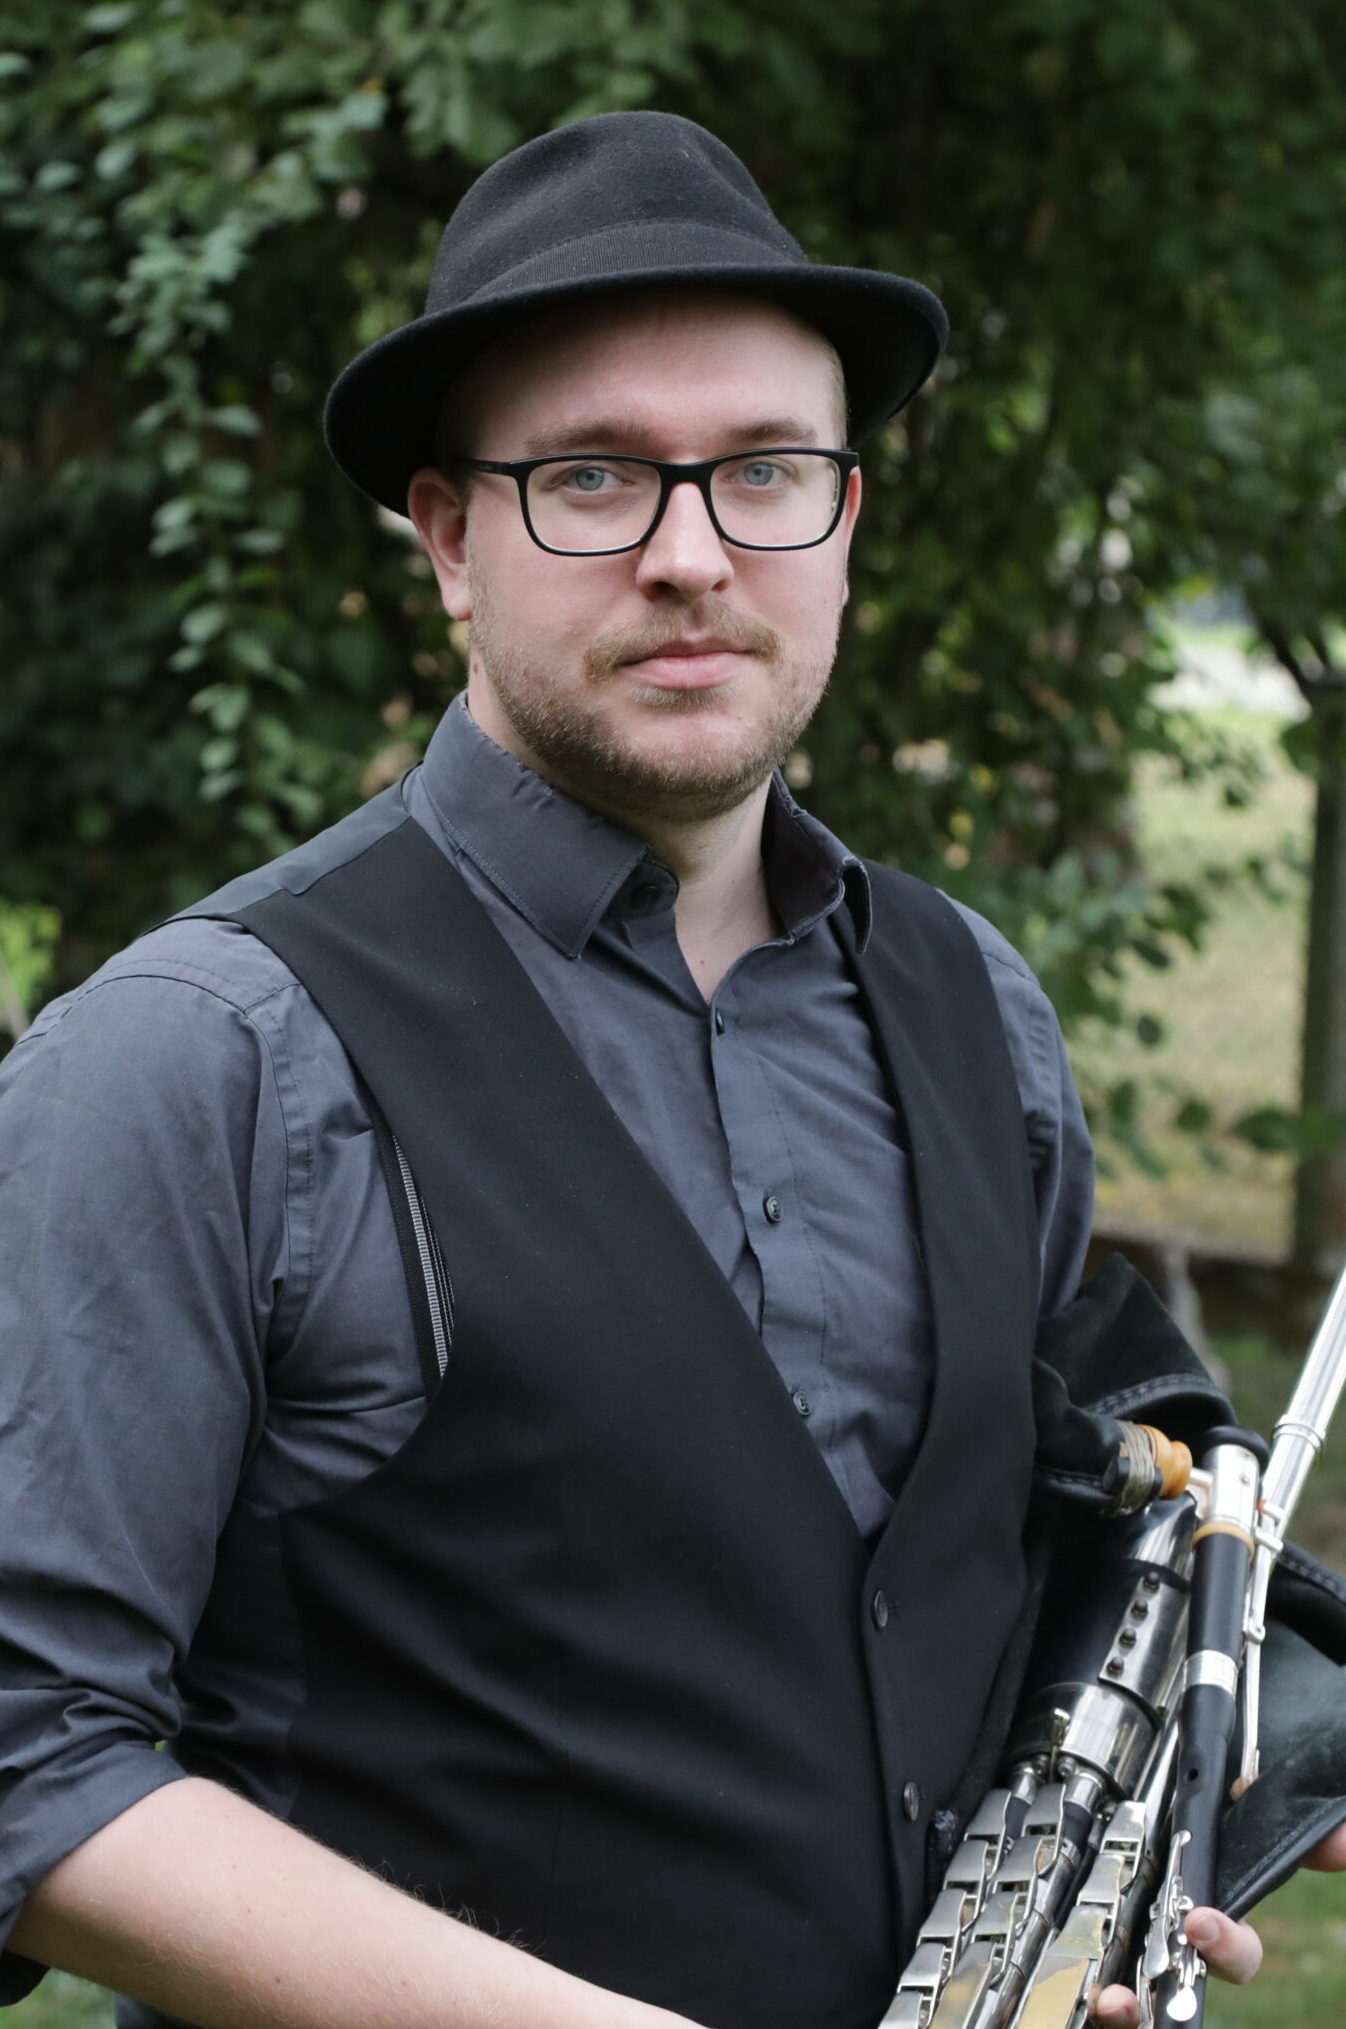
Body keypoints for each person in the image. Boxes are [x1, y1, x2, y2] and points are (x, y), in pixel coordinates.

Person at [0, 111, 1341, 2029]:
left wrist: (1093, 1892)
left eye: (766, 472)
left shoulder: (978, 1009)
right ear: (450, 537)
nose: (693, 553)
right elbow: (32, 1763)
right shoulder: (193, 1057)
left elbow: (972, 1573)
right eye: (593, 478)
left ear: (846, 519)